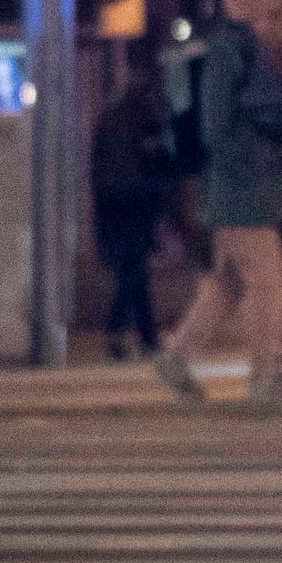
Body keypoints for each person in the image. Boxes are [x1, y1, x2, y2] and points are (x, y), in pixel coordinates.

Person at [156, 0, 282, 412]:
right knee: (267, 280)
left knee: (230, 283)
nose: (278, 24)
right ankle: (265, 376)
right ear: (252, 14)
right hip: (241, 194)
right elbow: (216, 127)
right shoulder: (232, 54)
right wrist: (256, 159)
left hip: (242, 192)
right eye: (272, 15)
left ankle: (177, 356)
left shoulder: (247, 55)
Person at [89, 78, 175, 360]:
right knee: (134, 272)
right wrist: (163, 200)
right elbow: (158, 164)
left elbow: (98, 168)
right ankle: (124, 331)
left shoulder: (109, 120)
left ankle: (144, 338)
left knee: (133, 271)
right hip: (137, 203)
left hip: (112, 205)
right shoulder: (146, 122)